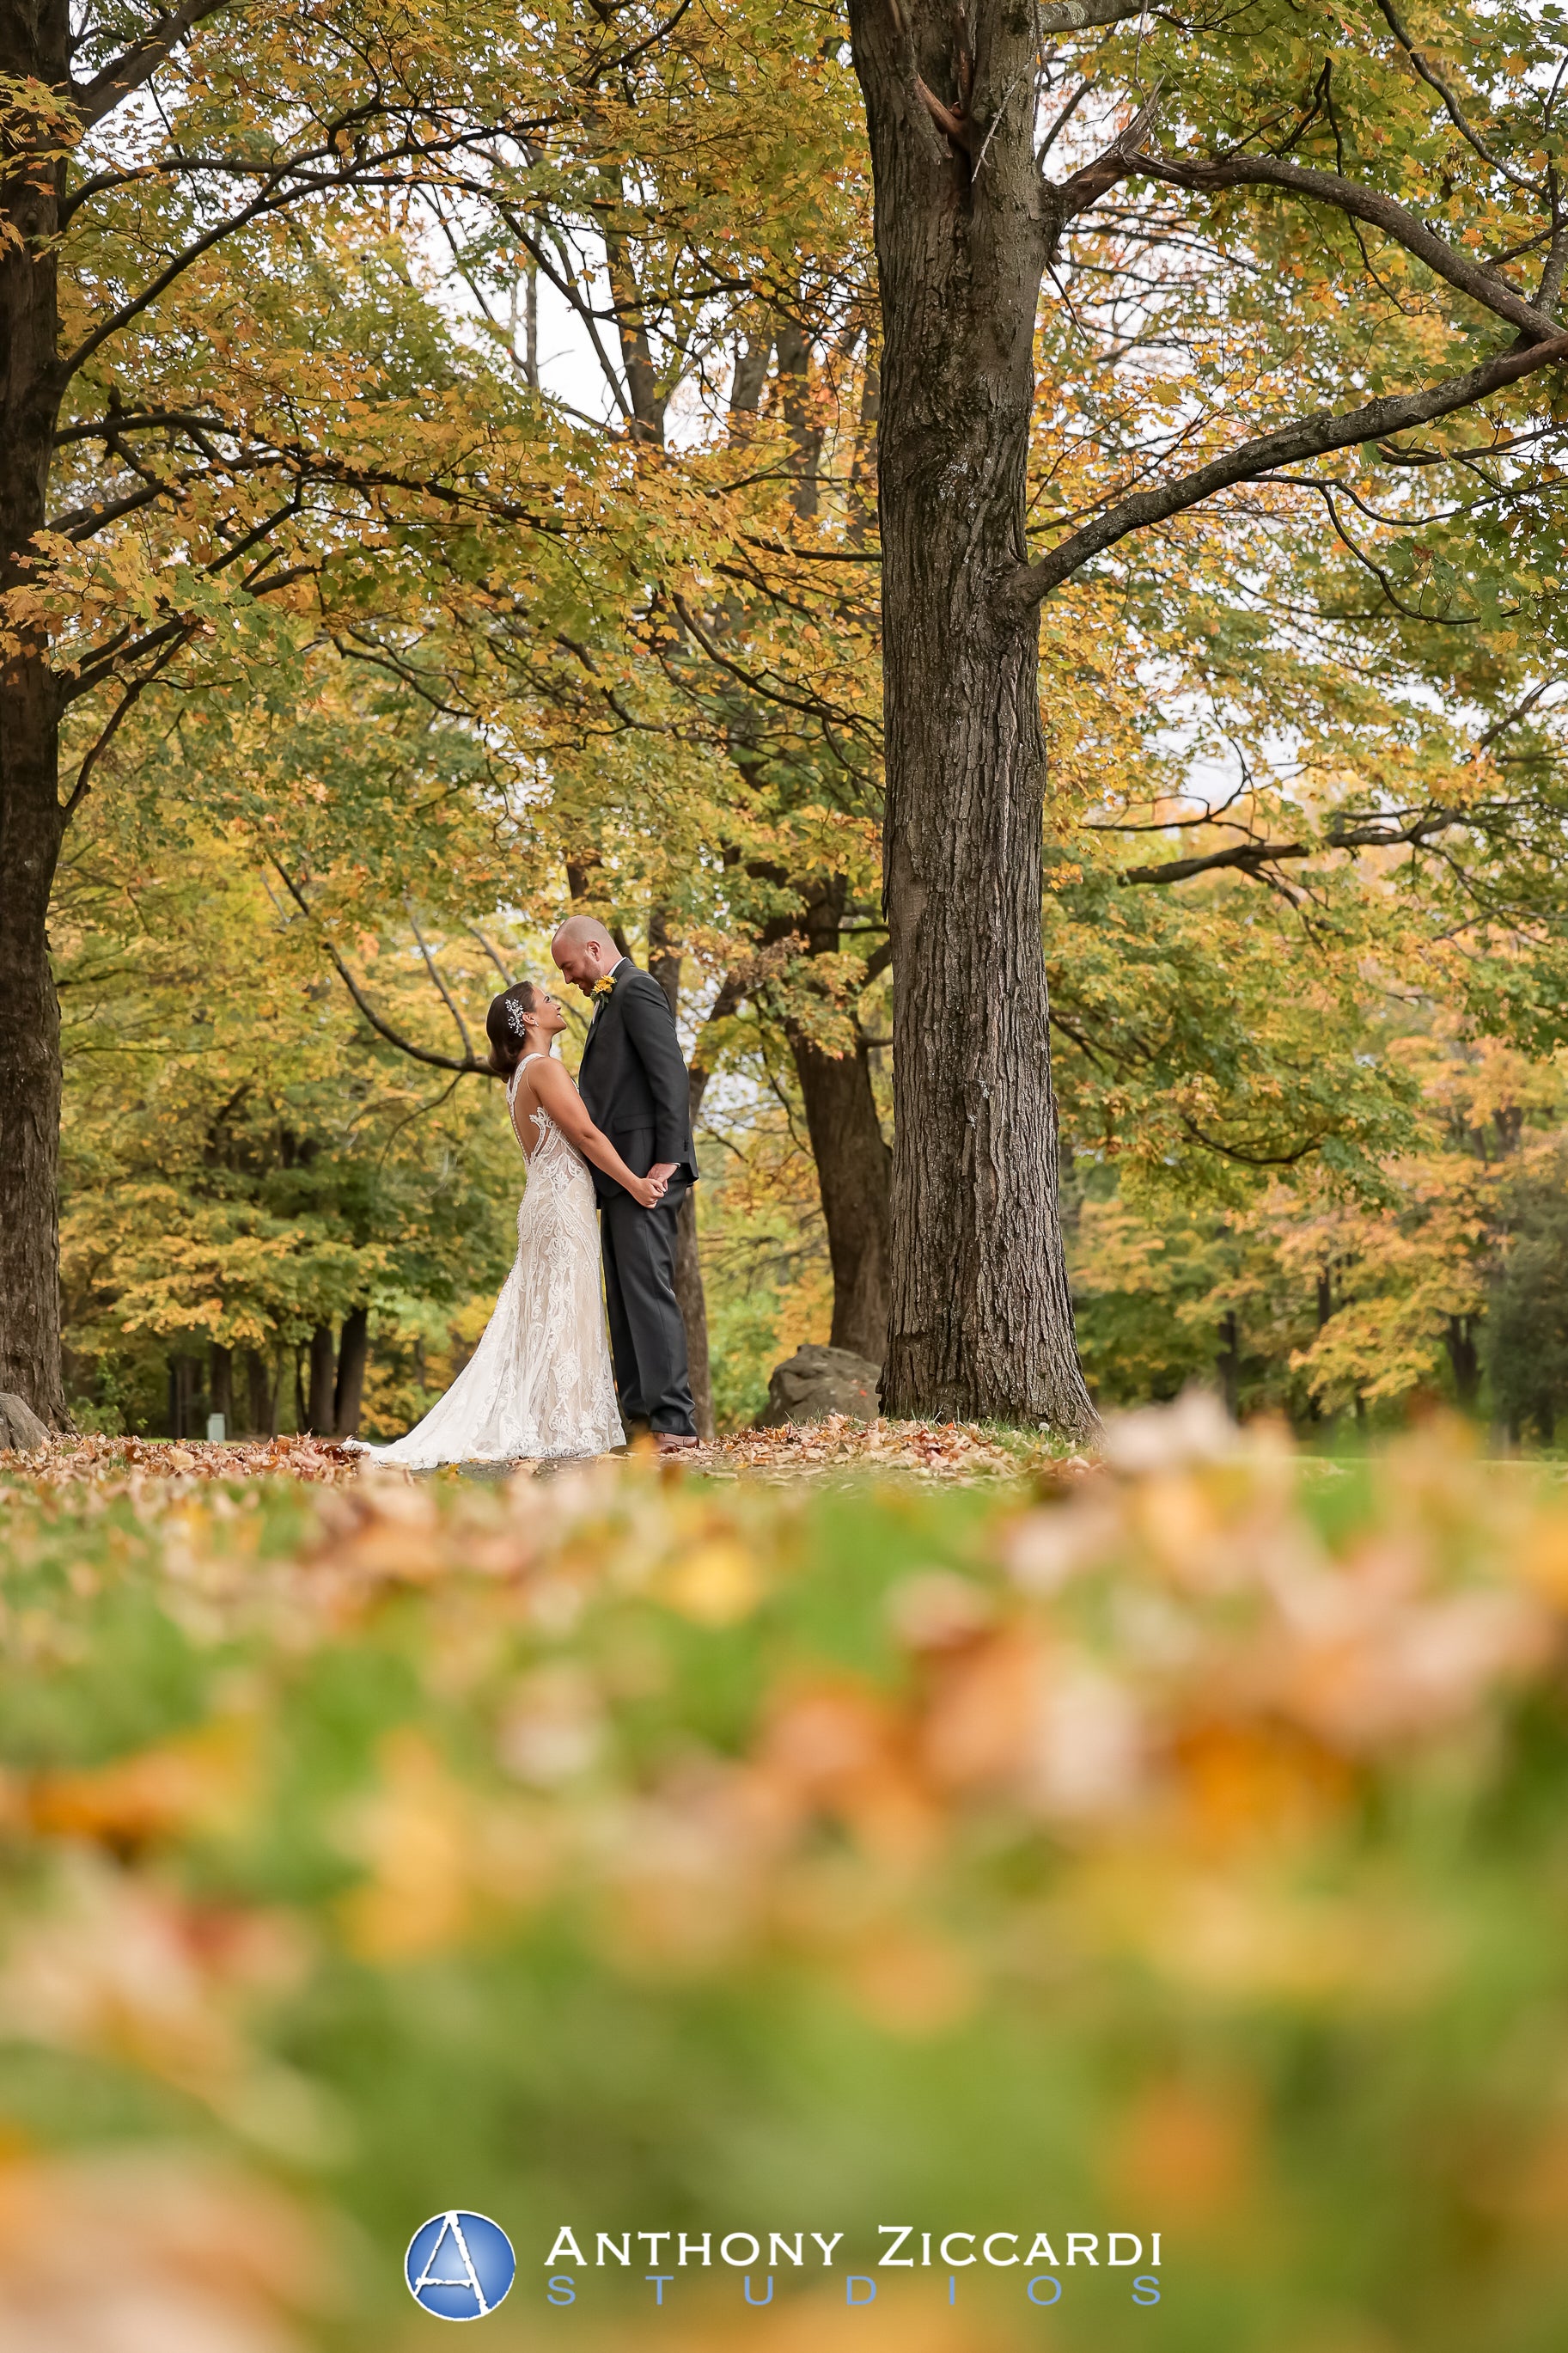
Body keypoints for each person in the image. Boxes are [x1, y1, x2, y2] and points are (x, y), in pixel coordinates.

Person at [351, 979, 662, 1467]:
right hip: (559, 1208)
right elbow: (584, 1133)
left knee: (549, 1308)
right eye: (547, 999)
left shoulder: (520, 1075)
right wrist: (634, 1183)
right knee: (562, 1306)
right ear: (531, 1019)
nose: (557, 1002)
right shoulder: (542, 1067)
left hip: (544, 1202)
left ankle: (552, 1418)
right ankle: (564, 1424)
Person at [551, 915, 700, 1454]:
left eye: (569, 966)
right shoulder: (610, 1000)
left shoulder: (637, 992)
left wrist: (666, 1161)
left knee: (647, 1295)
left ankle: (673, 1424)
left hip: (647, 1175)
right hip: (621, 1178)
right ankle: (639, 1422)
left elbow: (671, 1077)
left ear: (594, 949)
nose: (568, 979)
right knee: (623, 1298)